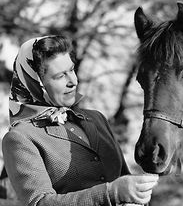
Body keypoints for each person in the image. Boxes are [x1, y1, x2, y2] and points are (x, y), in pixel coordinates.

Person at [2, 35, 159, 206]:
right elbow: (39, 203)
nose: (73, 81)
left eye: (71, 70)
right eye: (60, 76)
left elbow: (123, 183)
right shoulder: (20, 137)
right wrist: (112, 192)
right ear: (36, 83)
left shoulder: (96, 119)